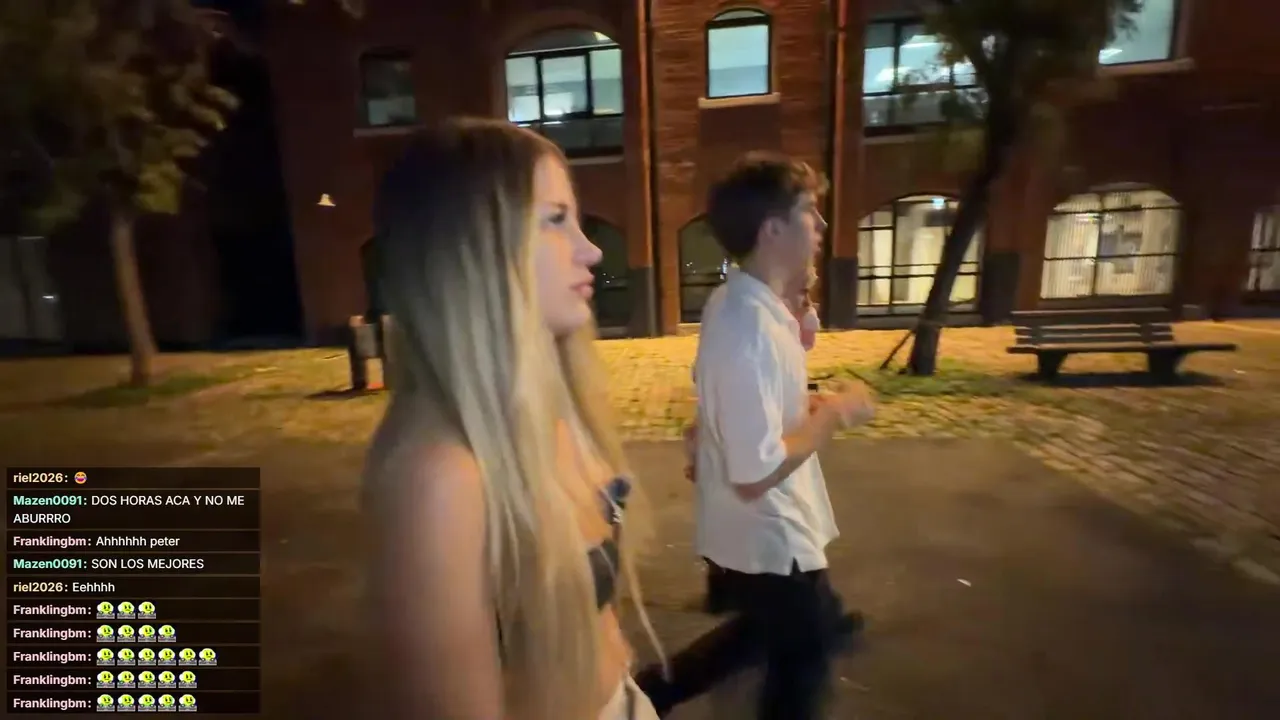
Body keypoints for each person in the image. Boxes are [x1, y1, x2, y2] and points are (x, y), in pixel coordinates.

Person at [361, 117, 664, 720]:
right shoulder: (440, 479)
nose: (592, 250)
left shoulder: (558, 409)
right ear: (472, 250)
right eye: (555, 220)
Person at [638, 152, 876, 719]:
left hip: (765, 533)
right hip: (772, 530)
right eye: (809, 212)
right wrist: (835, 413)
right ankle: (646, 693)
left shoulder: (745, 303)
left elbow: (742, 403)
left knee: (766, 635)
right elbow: (756, 470)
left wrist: (799, 405)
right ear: (772, 230)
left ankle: (648, 694)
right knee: (798, 663)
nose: (820, 225)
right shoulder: (749, 326)